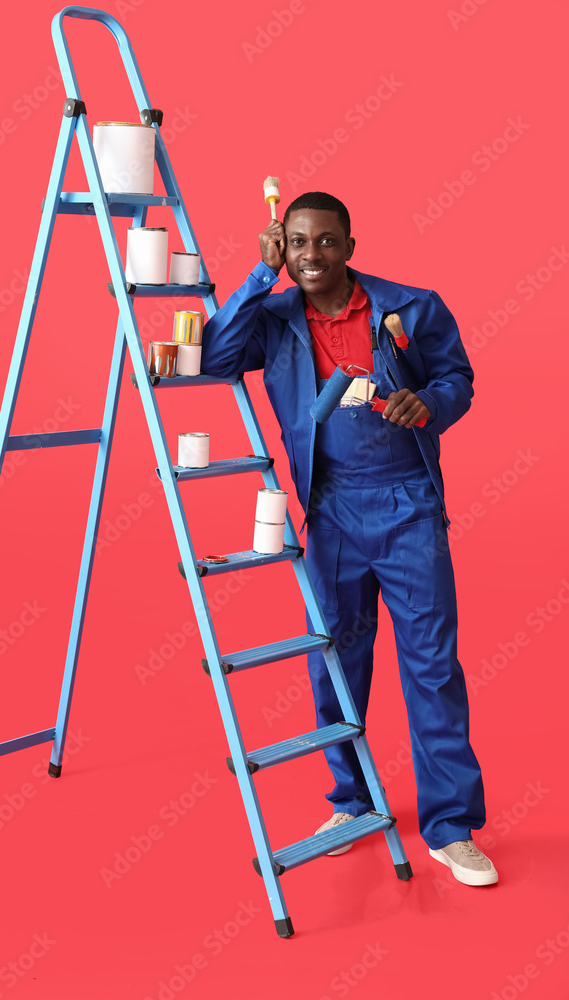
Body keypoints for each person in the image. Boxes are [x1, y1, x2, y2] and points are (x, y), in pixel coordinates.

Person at [200, 191, 497, 887]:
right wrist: (255, 274)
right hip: (327, 510)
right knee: (333, 661)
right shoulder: (272, 316)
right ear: (284, 246)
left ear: (349, 247)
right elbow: (214, 358)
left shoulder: (411, 306)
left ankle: (450, 828)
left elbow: (457, 377)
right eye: (297, 243)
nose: (311, 256)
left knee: (430, 666)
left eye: (325, 243)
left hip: (407, 506)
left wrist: (431, 402)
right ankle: (351, 802)